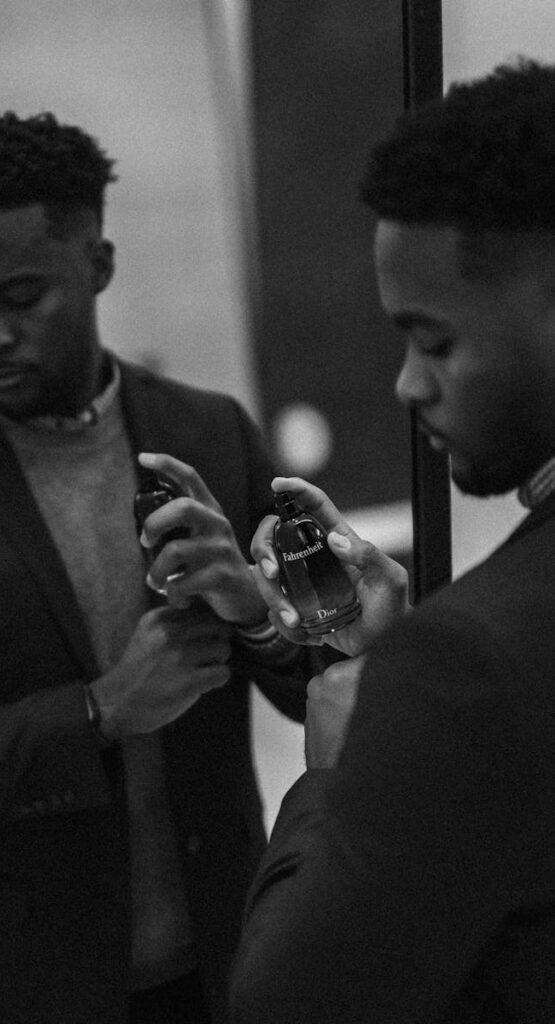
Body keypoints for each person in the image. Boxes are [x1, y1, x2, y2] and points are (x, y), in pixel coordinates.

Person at [0, 110, 331, 1024]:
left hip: (222, 962)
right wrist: (98, 711)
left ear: (98, 265)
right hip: (19, 985)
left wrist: (255, 615)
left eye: (18, 298)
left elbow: (325, 681)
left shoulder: (210, 433)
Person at [229, 58, 555, 1023]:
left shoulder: (464, 669)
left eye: (434, 339)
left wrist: (341, 770)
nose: (407, 385)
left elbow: (288, 1006)